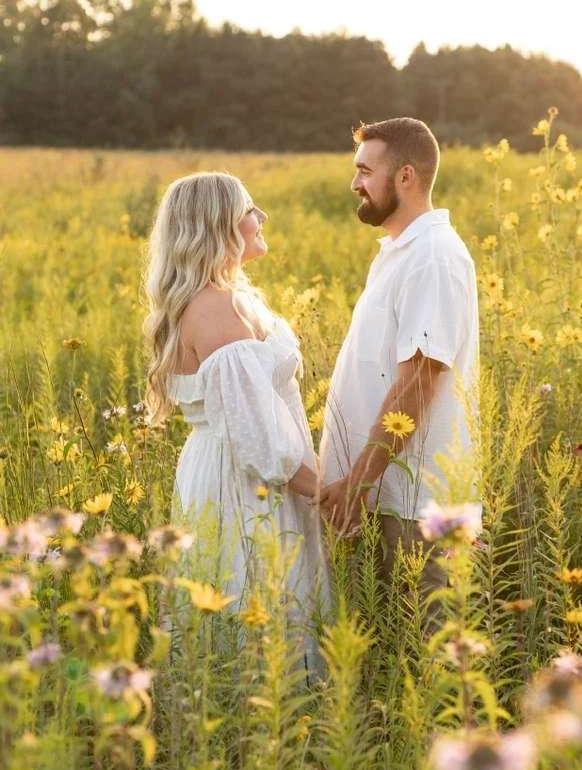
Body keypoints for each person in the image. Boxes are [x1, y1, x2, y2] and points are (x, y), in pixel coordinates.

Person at [143, 171, 327, 659]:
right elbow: (263, 445)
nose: (261, 217)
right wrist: (337, 496)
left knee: (236, 596)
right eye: (250, 209)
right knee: (258, 599)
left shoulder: (224, 299)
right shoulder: (215, 310)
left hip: (232, 469)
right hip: (248, 484)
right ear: (219, 224)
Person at [316, 118, 479, 631]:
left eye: (365, 171)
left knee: (430, 669)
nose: (355, 184)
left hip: (416, 506)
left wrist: (360, 482)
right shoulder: (400, 251)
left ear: (405, 176)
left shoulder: (432, 256)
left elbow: (419, 383)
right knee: (389, 663)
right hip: (387, 495)